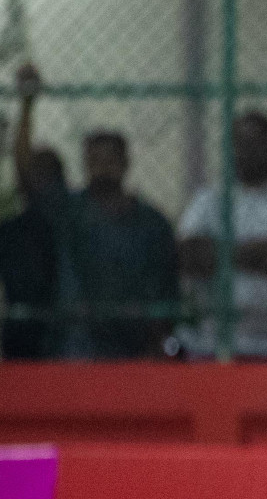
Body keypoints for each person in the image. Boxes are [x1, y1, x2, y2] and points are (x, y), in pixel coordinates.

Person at [178, 112, 267, 360]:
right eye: (240, 143)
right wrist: (265, 250)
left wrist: (221, 251)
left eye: (256, 143)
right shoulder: (209, 199)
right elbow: (190, 258)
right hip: (213, 342)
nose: (247, 151)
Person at [61, 131, 180, 359]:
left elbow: (166, 289)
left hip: (137, 346)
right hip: (80, 347)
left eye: (110, 161)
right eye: (95, 161)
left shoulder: (152, 223)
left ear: (125, 163)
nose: (103, 169)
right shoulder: (69, 214)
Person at [0, 64, 66, 360]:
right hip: (22, 334)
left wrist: (27, 104)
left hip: (62, 333)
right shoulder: (14, 230)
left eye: (46, 172)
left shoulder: (72, 217)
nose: (38, 179)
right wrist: (26, 104)